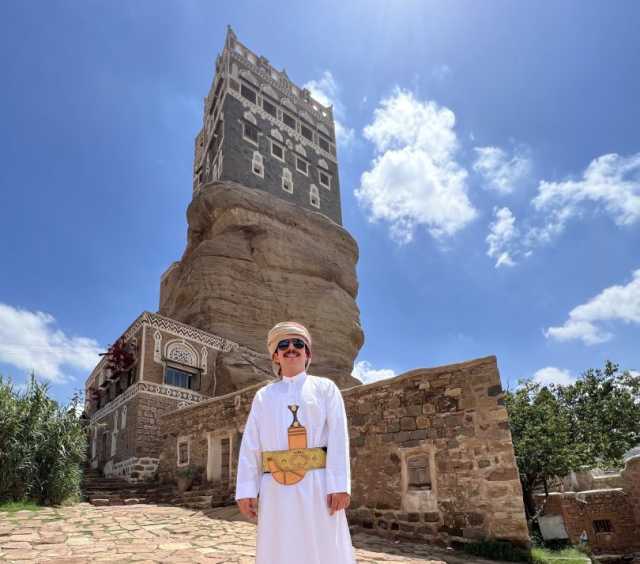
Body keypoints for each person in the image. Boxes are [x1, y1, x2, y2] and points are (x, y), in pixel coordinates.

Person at [235, 321, 355, 564]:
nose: (291, 348)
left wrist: (339, 485)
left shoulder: (325, 388)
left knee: (322, 547)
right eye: (284, 344)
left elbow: (338, 437)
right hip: (275, 488)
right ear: (275, 355)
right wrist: (247, 489)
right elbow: (251, 445)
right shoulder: (263, 397)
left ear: (307, 352)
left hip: (318, 486)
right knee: (280, 547)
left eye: (298, 343)